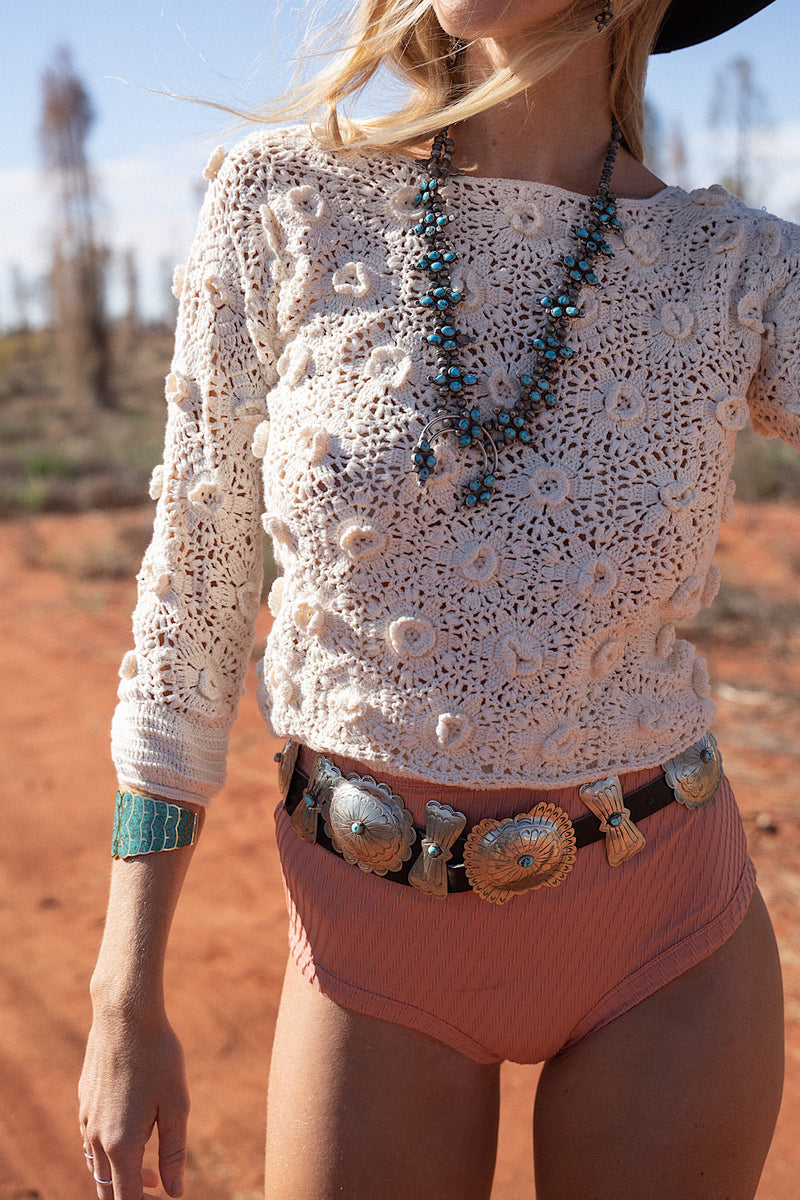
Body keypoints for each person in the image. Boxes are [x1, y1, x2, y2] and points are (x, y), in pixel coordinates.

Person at [79, 0, 797, 1196]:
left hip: (667, 931)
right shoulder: (284, 201)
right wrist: (123, 990)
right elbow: (188, 612)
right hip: (369, 935)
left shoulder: (738, 270)